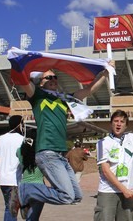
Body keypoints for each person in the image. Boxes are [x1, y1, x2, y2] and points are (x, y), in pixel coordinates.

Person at [20, 66, 112, 204]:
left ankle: (31, 193)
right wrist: (21, 65)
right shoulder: (37, 95)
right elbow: (23, 81)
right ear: (40, 82)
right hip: (47, 151)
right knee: (67, 196)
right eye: (48, 77)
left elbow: (89, 90)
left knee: (76, 196)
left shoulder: (65, 99)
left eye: (55, 77)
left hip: (61, 154)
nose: (53, 79)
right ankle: (27, 190)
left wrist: (106, 73)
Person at [13, 129, 47, 221]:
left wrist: (25, 144)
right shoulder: (41, 154)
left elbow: (18, 152)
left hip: (24, 188)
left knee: (32, 218)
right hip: (38, 188)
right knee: (31, 220)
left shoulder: (21, 152)